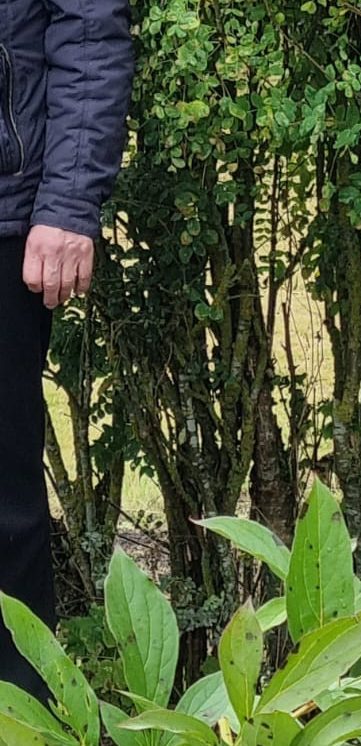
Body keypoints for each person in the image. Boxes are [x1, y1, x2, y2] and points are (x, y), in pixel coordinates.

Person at [0, 0, 133, 696]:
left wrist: (69, 202)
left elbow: (87, 23)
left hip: (4, 212)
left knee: (3, 509)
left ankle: (23, 720)